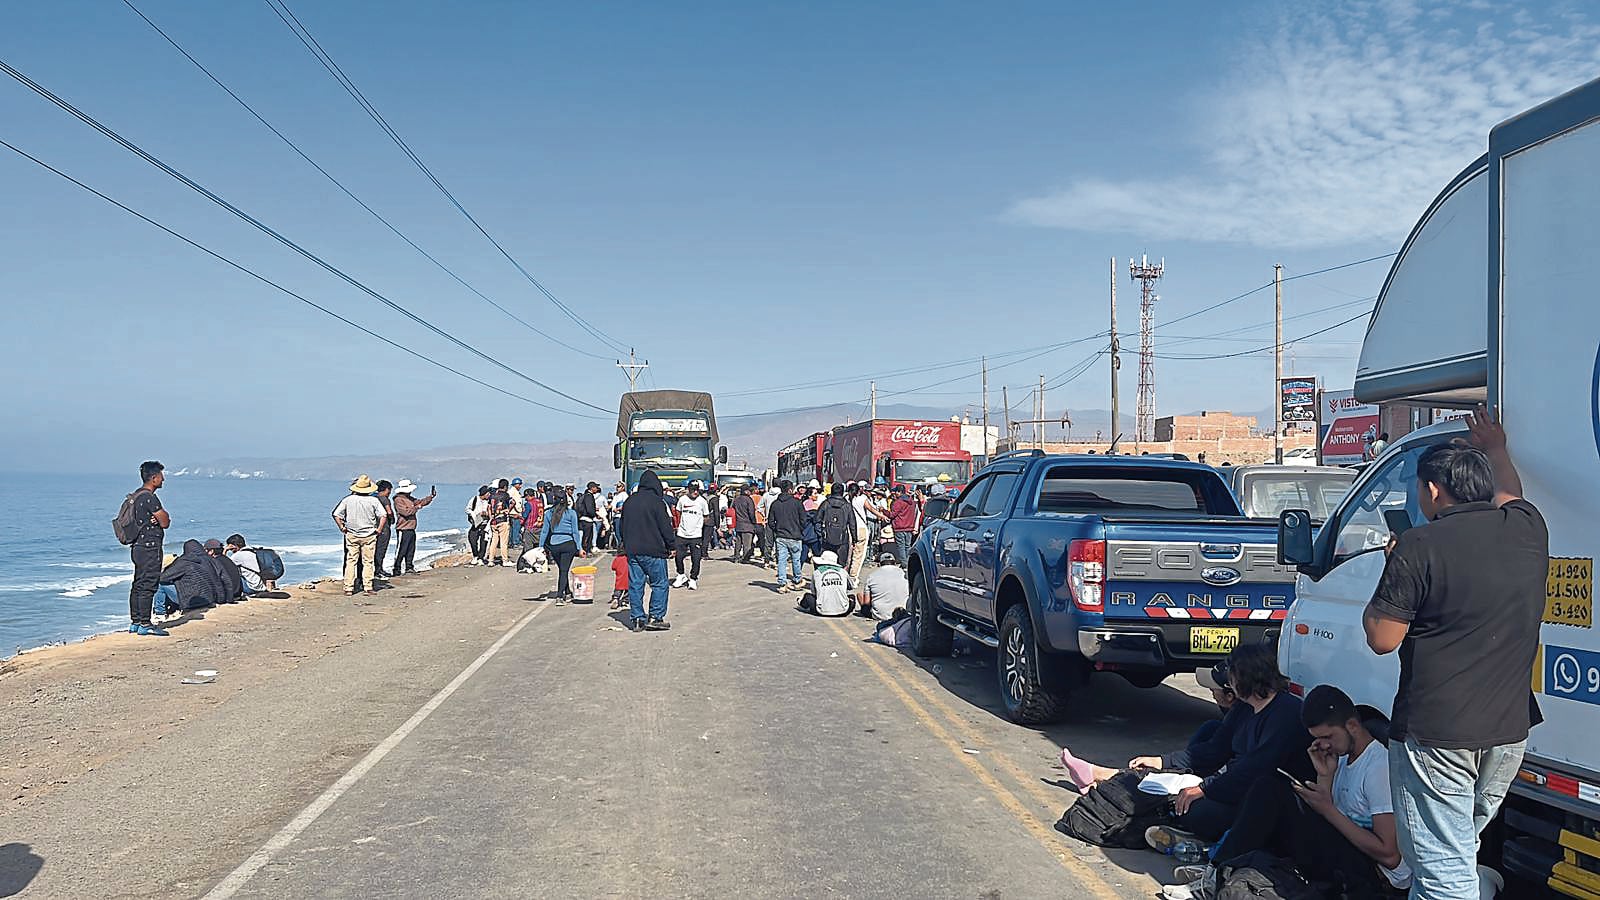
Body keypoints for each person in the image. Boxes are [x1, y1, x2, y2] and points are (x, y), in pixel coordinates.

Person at [1362, 407, 1544, 900]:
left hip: (1438, 732)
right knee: (1457, 851)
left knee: (1444, 871)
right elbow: (1512, 492)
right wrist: (1497, 448)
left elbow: (1382, 638)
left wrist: (1394, 567)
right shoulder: (1527, 528)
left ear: (1433, 491)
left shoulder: (1418, 545)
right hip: (1507, 731)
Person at [1159, 684, 1410, 900]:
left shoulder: (1378, 767)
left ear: (1353, 725)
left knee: (1272, 792)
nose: (1323, 745)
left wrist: (1328, 811)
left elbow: (1390, 856)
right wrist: (1325, 774)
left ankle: (1215, 874)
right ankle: (1221, 867)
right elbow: (1330, 812)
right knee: (1271, 796)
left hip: (1375, 875)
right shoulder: (1343, 756)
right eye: (1317, 738)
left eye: (1327, 737)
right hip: (1347, 851)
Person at [621, 470, 676, 631]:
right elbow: (665, 527)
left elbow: (621, 526)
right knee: (659, 584)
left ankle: (637, 618)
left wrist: (624, 544)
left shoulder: (629, 502)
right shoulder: (657, 502)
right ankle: (655, 617)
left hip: (633, 551)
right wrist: (672, 545)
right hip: (654, 551)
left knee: (636, 584)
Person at [125, 460, 172, 637]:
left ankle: (135, 622)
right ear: (153, 478)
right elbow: (165, 521)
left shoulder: (136, 496)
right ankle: (145, 623)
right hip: (150, 547)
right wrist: (161, 518)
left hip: (137, 546)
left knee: (138, 583)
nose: (163, 479)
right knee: (148, 584)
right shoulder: (149, 498)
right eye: (161, 476)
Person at [333, 474, 388, 596]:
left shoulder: (347, 500)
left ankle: (348, 587)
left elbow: (336, 514)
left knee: (351, 561)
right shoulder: (374, 500)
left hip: (352, 534)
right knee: (368, 562)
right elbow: (383, 515)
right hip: (369, 534)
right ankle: (368, 586)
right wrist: (379, 529)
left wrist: (342, 527)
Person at [537, 489, 585, 602]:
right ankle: (559, 595)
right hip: (568, 544)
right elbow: (575, 532)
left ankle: (567, 591)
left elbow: (544, 531)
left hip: (554, 545)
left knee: (563, 569)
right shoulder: (571, 513)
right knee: (564, 571)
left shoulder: (548, 513)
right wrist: (579, 548)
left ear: (554, 499)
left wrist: (541, 547)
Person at [158, 539, 228, 615]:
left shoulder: (183, 563)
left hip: (190, 602)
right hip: (208, 600)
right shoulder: (202, 562)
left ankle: (160, 612)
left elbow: (163, 578)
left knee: (159, 585)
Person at [767, 480, 807, 592]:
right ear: (790, 490)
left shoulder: (775, 504)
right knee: (796, 559)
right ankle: (797, 581)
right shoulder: (797, 503)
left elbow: (770, 522)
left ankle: (782, 584)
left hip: (780, 536)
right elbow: (804, 520)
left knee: (782, 560)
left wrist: (777, 530)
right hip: (795, 536)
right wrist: (800, 529)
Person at [390, 481, 436, 575]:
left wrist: (430, 497)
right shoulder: (398, 499)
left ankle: (409, 567)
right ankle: (396, 568)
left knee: (411, 549)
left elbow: (420, 502)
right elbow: (405, 512)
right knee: (401, 550)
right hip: (403, 528)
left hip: (411, 528)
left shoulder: (409, 498)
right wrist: (417, 507)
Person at [672, 481, 710, 590]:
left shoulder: (702, 501)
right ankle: (681, 575)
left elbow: (706, 516)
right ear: (689, 489)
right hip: (682, 533)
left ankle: (693, 579)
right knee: (679, 557)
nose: (695, 492)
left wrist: (699, 525)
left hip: (696, 535)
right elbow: (678, 512)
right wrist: (680, 525)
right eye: (693, 489)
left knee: (696, 558)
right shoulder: (682, 500)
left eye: (697, 489)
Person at [799, 550, 853, 616]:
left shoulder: (817, 573)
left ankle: (801, 602)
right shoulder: (843, 572)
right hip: (843, 611)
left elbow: (814, 592)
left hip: (820, 611)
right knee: (852, 597)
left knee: (807, 596)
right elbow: (851, 587)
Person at [814, 483, 855, 566]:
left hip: (826, 538)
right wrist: (854, 539)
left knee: (825, 562)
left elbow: (817, 520)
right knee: (841, 564)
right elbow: (852, 524)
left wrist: (821, 533)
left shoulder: (825, 503)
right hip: (842, 539)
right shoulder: (847, 506)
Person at [862, 551, 909, 621]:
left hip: (880, 615)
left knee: (860, 596)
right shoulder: (904, 574)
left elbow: (867, 602)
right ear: (895, 563)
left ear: (880, 564)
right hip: (903, 613)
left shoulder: (872, 576)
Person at [486, 478, 517, 567]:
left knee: (494, 541)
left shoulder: (492, 495)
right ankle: (505, 560)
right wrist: (508, 510)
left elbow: (488, 507)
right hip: (502, 520)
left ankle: (491, 560)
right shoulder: (506, 495)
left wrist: (491, 517)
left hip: (493, 521)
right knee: (504, 542)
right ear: (505, 487)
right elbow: (513, 502)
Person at [204, 538, 244, 603]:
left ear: (211, 551)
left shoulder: (214, 562)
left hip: (229, 595)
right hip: (237, 592)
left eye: (205, 550)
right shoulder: (227, 559)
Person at [888, 485, 920, 565]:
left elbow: (892, 515)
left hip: (899, 528)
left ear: (899, 492)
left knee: (901, 547)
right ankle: (908, 564)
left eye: (896, 491)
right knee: (907, 547)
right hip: (909, 528)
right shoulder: (911, 502)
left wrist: (883, 510)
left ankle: (904, 565)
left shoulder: (898, 502)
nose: (895, 493)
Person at [373, 480, 395, 581]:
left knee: (373, 550)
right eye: (389, 490)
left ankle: (374, 570)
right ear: (386, 489)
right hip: (384, 527)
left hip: (373, 527)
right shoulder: (384, 499)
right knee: (381, 549)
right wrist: (392, 519)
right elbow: (389, 511)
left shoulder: (372, 498)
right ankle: (378, 570)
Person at [732, 485, 760, 564]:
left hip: (738, 524)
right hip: (747, 525)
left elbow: (732, 510)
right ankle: (745, 558)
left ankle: (736, 557)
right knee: (747, 544)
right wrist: (754, 522)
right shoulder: (748, 500)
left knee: (738, 543)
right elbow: (751, 513)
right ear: (746, 491)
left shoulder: (736, 500)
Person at [466, 485, 491, 565]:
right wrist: (474, 514)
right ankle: (475, 556)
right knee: (472, 539)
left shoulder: (489, 501)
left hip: (485, 524)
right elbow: (467, 509)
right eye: (488, 493)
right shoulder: (474, 499)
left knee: (484, 541)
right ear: (484, 493)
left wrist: (486, 513)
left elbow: (491, 511)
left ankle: (481, 557)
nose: (489, 495)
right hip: (476, 523)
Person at [576, 482, 601, 553]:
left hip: (583, 518)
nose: (597, 488)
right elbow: (589, 509)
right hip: (587, 519)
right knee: (587, 537)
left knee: (585, 536)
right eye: (596, 487)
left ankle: (585, 550)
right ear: (592, 488)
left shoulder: (585, 495)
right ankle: (586, 551)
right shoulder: (589, 496)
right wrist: (594, 514)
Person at [508, 477, 526, 547]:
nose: (520, 486)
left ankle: (511, 543)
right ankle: (515, 543)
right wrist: (517, 511)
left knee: (513, 529)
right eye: (519, 484)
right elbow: (512, 502)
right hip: (514, 513)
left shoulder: (516, 492)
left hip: (515, 512)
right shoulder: (512, 492)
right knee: (516, 528)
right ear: (515, 484)